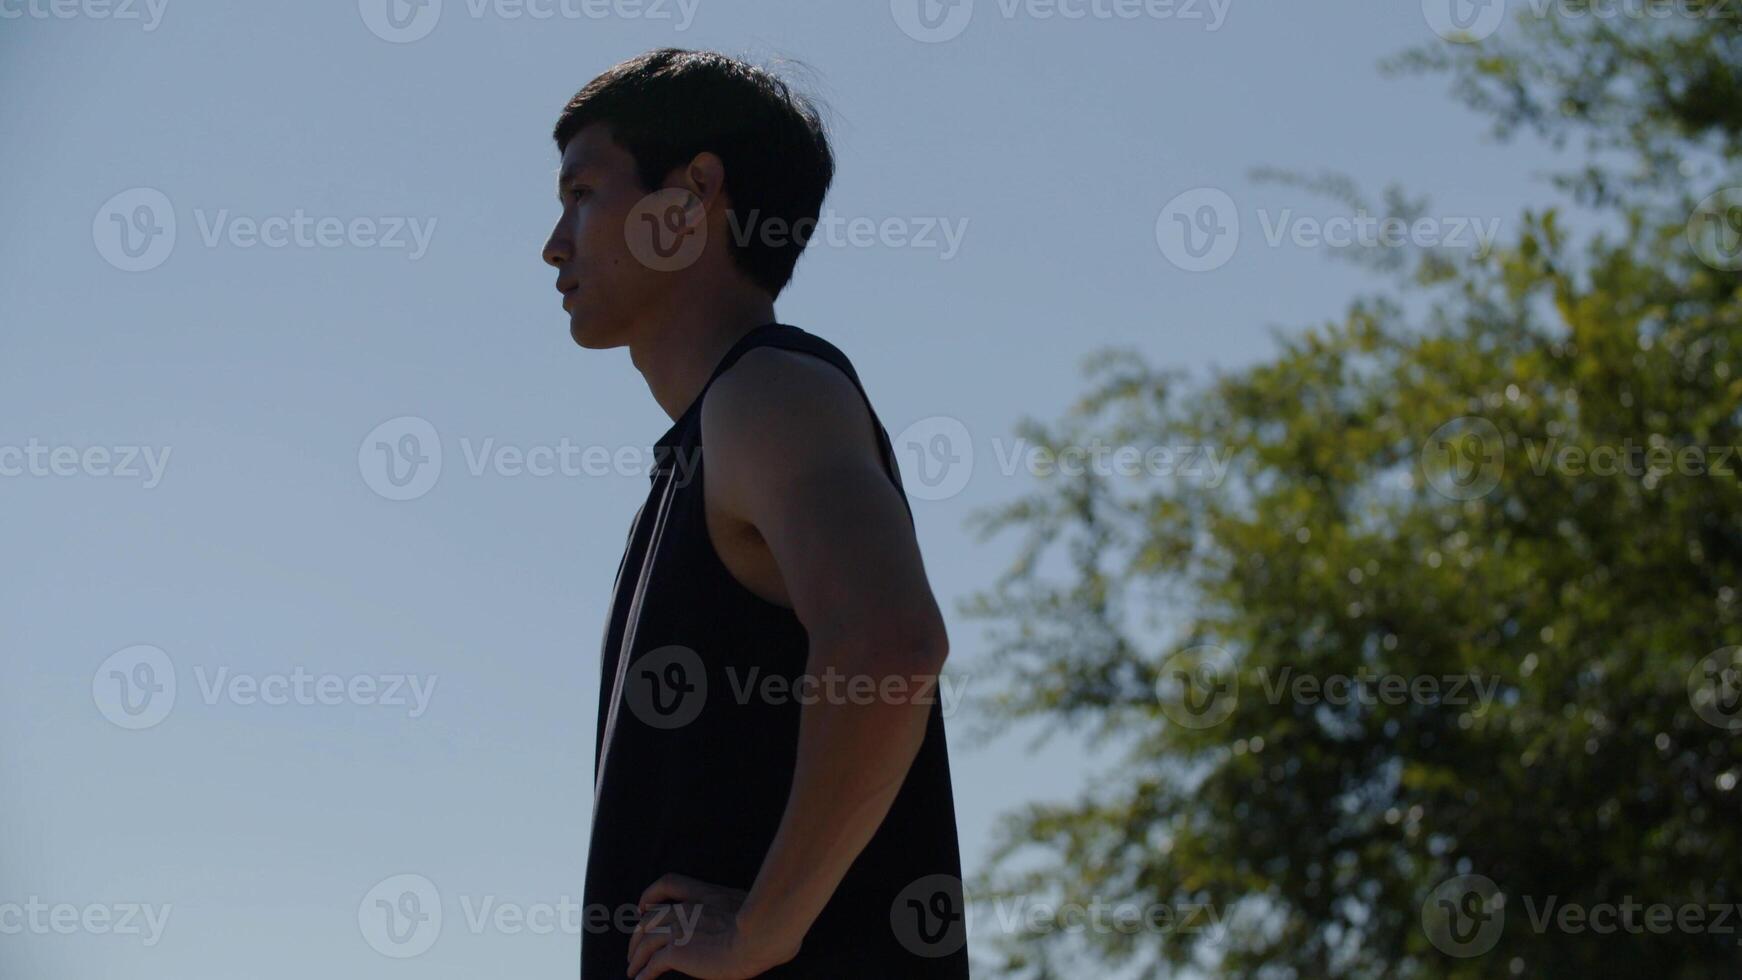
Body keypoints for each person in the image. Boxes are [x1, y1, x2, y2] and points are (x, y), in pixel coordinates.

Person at [541, 49, 971, 979]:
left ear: (692, 197)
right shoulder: (704, 449)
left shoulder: (771, 392)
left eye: (581, 193)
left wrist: (767, 926)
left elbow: (890, 646)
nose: (554, 241)